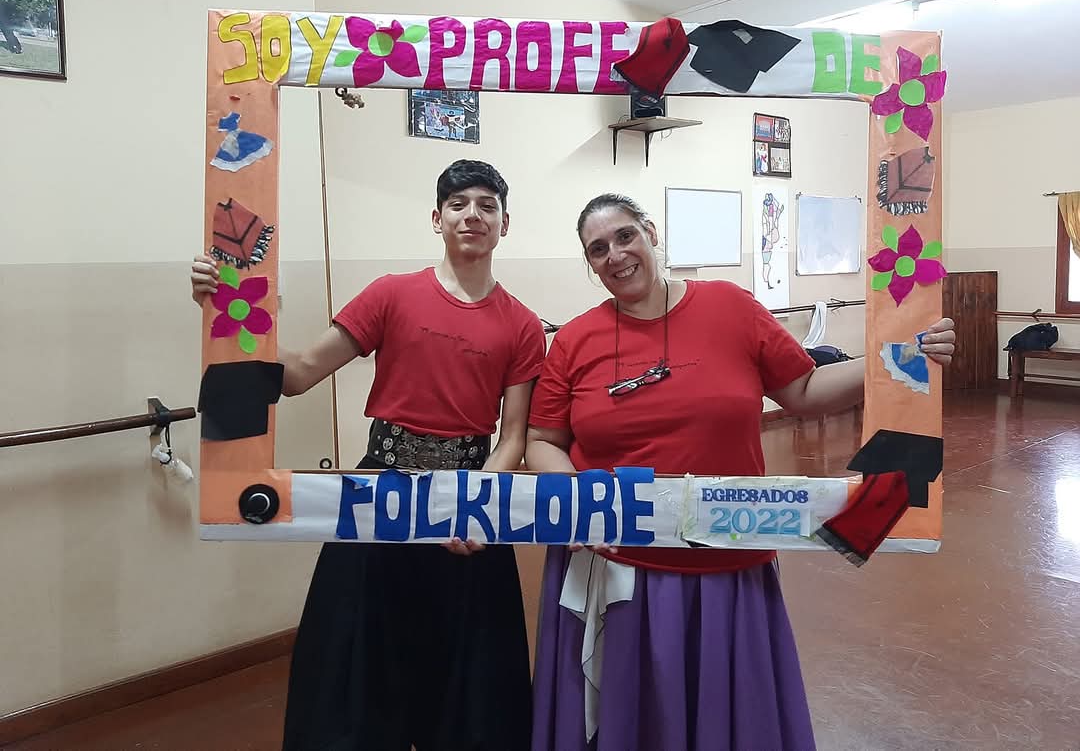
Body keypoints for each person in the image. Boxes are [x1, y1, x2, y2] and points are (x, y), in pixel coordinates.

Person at [525, 193, 956, 751]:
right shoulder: (575, 340)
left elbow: (803, 390)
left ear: (650, 233)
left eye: (625, 236)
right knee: (632, 720)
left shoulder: (731, 307)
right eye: (598, 249)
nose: (616, 255)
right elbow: (543, 441)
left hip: (724, 559)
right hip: (618, 563)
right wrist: (581, 501)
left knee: (721, 716)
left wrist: (892, 359)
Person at [191, 160, 544, 751]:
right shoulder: (390, 294)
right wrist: (226, 306)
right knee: (359, 667)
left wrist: (475, 504)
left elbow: (512, 438)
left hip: (469, 504)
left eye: (487, 206)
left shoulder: (523, 324)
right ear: (436, 218)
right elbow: (299, 374)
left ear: (504, 224)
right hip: (378, 497)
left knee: (469, 680)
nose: (473, 216)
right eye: (458, 204)